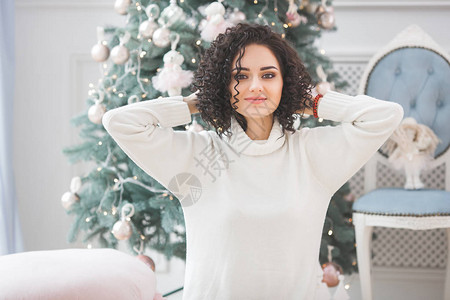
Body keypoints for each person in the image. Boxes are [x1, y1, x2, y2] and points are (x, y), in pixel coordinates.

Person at [102, 23, 404, 300]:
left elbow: (386, 116)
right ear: (223, 85)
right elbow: (119, 122)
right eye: (240, 76)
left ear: (285, 83)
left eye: (269, 75)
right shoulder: (196, 157)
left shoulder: (312, 154)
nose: (256, 86)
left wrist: (314, 103)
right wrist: (194, 103)